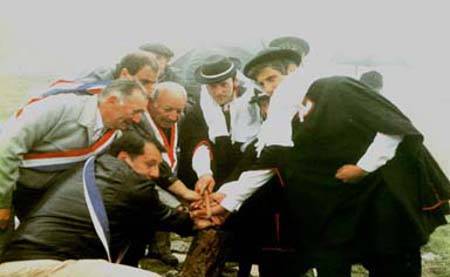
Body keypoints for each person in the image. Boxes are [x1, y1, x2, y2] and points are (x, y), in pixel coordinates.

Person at [195, 51, 450, 276]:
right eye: (262, 83)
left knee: (392, 260)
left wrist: (364, 167)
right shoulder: (288, 115)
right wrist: (229, 200)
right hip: (352, 195)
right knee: (341, 253)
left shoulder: (335, 87)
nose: (269, 88)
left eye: (272, 79)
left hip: (386, 187)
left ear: (292, 71)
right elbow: (269, 161)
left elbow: (392, 128)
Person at [0, 130, 214, 277]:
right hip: (46, 268)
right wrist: (199, 217)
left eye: (159, 166)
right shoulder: (131, 184)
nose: (155, 174)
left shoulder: (95, 168)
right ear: (124, 158)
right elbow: (178, 221)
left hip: (19, 264)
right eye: (150, 164)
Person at [0, 79, 150, 252]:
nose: (138, 119)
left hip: (37, 195)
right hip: (6, 185)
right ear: (112, 101)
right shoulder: (58, 108)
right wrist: (2, 203)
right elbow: (5, 150)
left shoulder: (113, 134)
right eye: (136, 111)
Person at [132, 81, 197, 266]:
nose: (173, 116)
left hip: (167, 174)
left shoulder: (179, 120)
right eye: (168, 109)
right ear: (151, 103)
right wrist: (183, 192)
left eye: (179, 111)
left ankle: (160, 250)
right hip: (144, 178)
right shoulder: (138, 122)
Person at [177, 54, 259, 193]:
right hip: (213, 180)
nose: (218, 92)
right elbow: (197, 144)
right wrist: (204, 173)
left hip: (247, 176)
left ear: (235, 81)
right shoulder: (197, 112)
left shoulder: (254, 106)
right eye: (212, 87)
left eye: (224, 85)